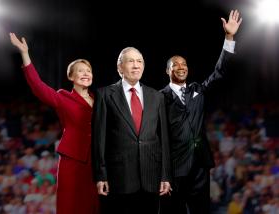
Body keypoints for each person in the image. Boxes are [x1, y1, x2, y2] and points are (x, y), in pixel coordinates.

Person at [160, 10, 242, 214]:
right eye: (175, 64)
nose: (181, 67)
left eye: (184, 64)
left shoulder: (198, 90)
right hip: (174, 169)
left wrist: (229, 37)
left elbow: (220, 72)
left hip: (199, 166)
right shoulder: (158, 97)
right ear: (167, 71)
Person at [9, 33, 99, 214]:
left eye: (88, 71)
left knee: (94, 206)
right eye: (80, 70)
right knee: (70, 205)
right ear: (71, 77)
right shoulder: (63, 97)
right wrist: (25, 54)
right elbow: (38, 87)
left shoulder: (100, 100)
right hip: (72, 160)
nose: (86, 74)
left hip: (96, 162)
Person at [92, 47, 171, 214]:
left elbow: (163, 139)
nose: (136, 66)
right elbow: (99, 140)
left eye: (140, 61)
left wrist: (165, 175)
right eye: (131, 61)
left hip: (151, 177)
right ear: (119, 67)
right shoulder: (105, 95)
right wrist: (101, 175)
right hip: (118, 178)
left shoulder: (157, 96)